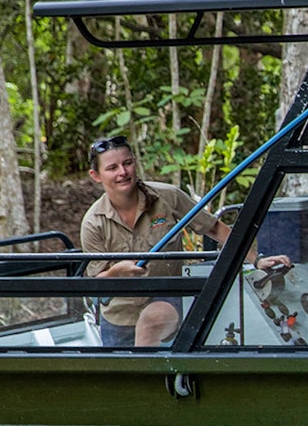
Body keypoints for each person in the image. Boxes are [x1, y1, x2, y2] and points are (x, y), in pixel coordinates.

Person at [81, 135, 290, 346]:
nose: (123, 172)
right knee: (120, 375)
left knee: (149, 324)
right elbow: (97, 281)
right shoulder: (93, 222)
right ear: (96, 175)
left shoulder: (167, 197)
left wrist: (256, 260)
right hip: (119, 314)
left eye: (127, 163)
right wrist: (119, 271)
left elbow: (215, 228)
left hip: (167, 296)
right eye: (112, 168)